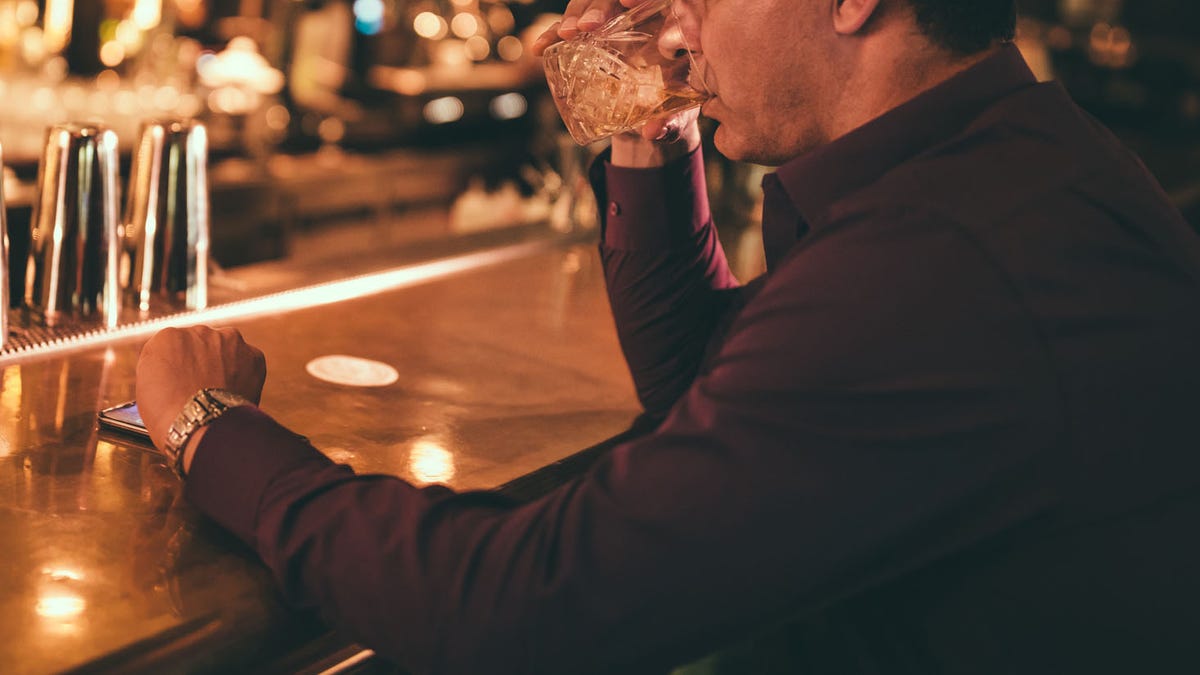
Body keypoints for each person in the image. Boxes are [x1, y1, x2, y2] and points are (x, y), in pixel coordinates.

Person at [135, 0, 1200, 672]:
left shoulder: (939, 260)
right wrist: (648, 133)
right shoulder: (1013, 161)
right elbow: (713, 388)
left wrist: (207, 425)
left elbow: (518, 611)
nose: (678, 24)